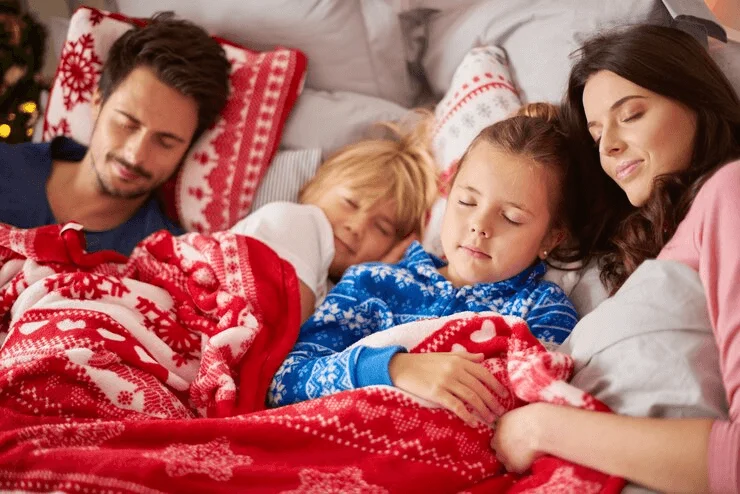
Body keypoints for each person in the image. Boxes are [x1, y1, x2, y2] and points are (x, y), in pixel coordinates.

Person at [491, 25, 740, 494]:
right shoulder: (645, 254)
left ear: (698, 101)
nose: (609, 145)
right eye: (597, 132)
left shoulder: (731, 190)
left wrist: (540, 428)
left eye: (632, 115)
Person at [268, 103, 581, 427]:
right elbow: (285, 383)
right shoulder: (373, 282)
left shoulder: (542, 309)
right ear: (448, 196)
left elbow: (539, 414)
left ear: (551, 239)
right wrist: (395, 368)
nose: (479, 225)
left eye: (511, 218)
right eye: (467, 202)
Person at [0, 12, 231, 256]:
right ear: (98, 101)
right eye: (127, 124)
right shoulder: (6, 168)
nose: (135, 155)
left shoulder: (166, 259)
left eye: (165, 142)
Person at [230, 115, 439, 322]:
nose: (356, 226)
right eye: (350, 203)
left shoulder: (330, 289)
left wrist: (376, 278)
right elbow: (287, 338)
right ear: (313, 187)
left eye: (382, 228)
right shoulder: (293, 222)